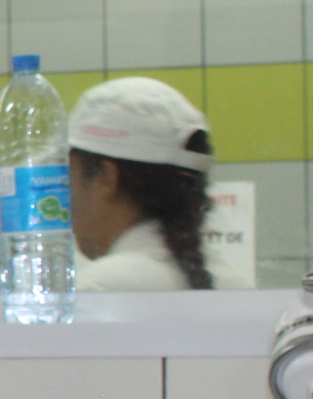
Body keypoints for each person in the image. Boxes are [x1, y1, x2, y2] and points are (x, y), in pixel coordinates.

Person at [69, 76, 245, 291]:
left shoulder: (101, 288)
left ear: (107, 177)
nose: (66, 197)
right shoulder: (233, 281)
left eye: (69, 176)